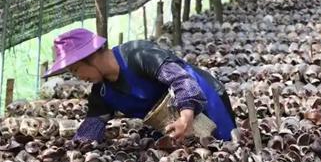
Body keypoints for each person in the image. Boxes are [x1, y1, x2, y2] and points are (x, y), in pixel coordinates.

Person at [44, 28, 237, 142]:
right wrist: (77, 149)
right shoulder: (102, 93)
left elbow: (181, 80)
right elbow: (91, 128)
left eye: (76, 70)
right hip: (171, 121)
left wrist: (186, 117)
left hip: (206, 99)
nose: (79, 77)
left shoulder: (138, 55)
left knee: (223, 146)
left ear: (90, 58)